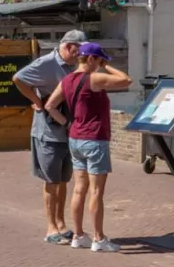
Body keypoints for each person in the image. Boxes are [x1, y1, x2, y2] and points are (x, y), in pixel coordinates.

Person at [43, 43, 132, 252]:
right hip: (95, 139)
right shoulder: (94, 79)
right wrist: (108, 67)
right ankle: (99, 238)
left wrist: (67, 124)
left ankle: (78, 235)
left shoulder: (66, 80)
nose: (100, 65)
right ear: (91, 59)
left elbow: (50, 106)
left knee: (78, 189)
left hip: (75, 139)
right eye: (99, 60)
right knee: (96, 192)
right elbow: (126, 80)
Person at [13, 30, 85, 244]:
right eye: (77, 50)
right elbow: (18, 78)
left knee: (63, 180)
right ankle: (50, 228)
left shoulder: (74, 65)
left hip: (68, 133)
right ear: (67, 46)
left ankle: (61, 223)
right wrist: (37, 100)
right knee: (51, 181)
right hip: (48, 133)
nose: (79, 55)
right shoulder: (46, 63)